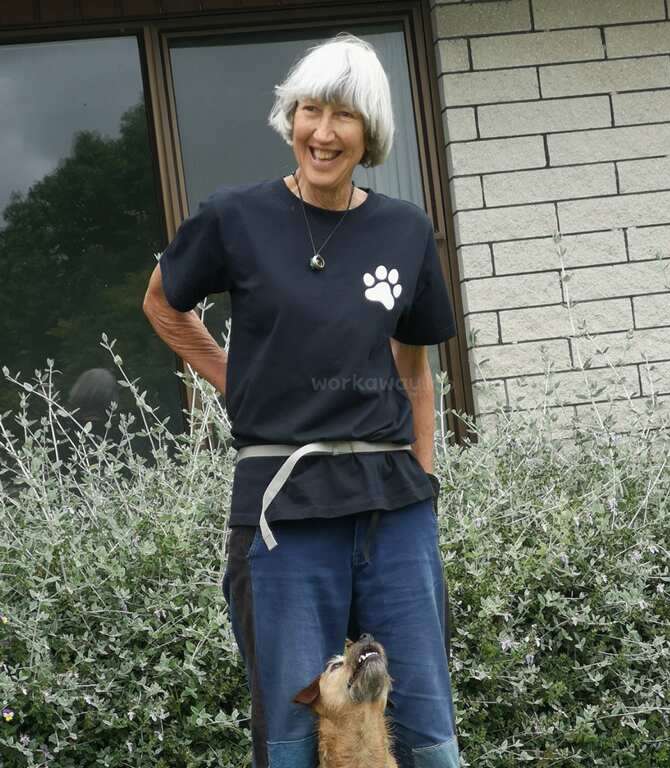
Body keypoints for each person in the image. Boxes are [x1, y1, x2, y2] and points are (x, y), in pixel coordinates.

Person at [142, 31, 459, 768]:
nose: (323, 132)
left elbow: (415, 372)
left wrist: (426, 479)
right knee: (289, 737)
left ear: (369, 132)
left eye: (343, 116)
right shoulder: (233, 217)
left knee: (426, 727)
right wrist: (232, 378)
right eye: (310, 111)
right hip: (282, 509)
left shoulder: (405, 230)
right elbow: (162, 303)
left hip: (392, 507)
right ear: (291, 120)